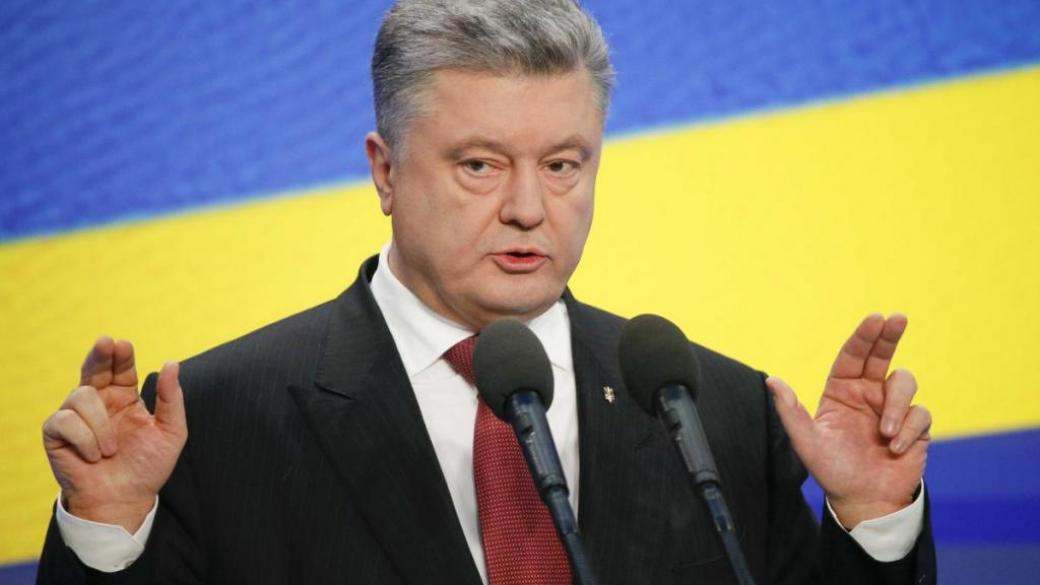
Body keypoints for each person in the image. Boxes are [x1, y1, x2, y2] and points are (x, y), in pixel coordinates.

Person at [37, 1, 935, 583]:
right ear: (385, 171)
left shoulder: (713, 410)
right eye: (479, 164)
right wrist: (106, 533)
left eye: (563, 164)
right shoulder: (219, 419)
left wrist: (874, 521)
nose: (528, 208)